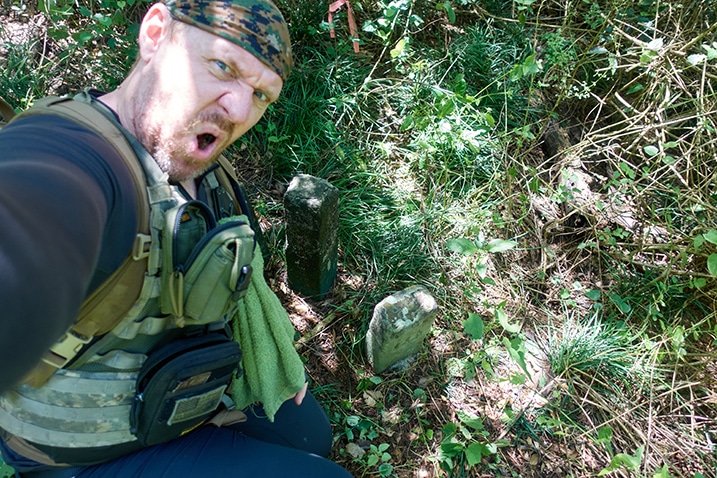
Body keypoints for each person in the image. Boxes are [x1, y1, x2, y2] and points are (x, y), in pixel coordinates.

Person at [0, 0, 352, 476]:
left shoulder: (203, 167)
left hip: (177, 391)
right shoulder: (73, 162)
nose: (239, 109)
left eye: (262, 95)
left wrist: (268, 352)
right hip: (86, 450)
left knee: (313, 438)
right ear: (155, 32)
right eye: (222, 66)